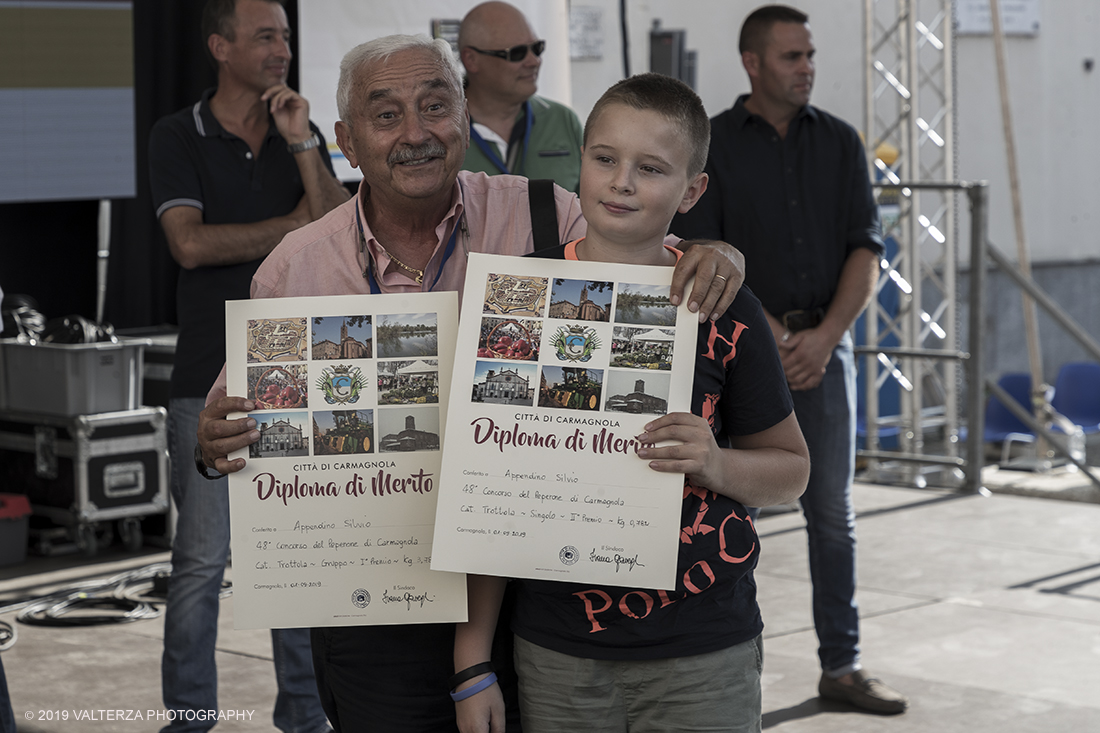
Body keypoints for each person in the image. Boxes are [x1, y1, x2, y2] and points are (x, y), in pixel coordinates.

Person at [195, 35, 745, 733]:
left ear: (464, 117)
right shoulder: (295, 268)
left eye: (434, 106)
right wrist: (215, 443)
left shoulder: (547, 213)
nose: (416, 133)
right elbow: (224, 424)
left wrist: (716, 252)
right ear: (346, 141)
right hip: (378, 606)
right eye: (386, 115)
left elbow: (648, 253)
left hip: (538, 599)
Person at [455, 73, 810, 733]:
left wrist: (717, 464)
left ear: (692, 189)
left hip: (705, 651)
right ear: (579, 161)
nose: (621, 182)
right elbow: (488, 499)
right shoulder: (519, 299)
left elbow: (793, 467)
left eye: (650, 169)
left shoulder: (721, 305)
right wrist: (471, 660)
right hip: (556, 651)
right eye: (605, 159)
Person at [671, 4, 908, 715]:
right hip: (739, 356)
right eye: (791, 56)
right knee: (725, 510)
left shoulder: (840, 141)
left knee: (831, 513)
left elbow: (867, 247)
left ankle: (842, 663)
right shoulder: (711, 145)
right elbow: (700, 254)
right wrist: (772, 337)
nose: (807, 68)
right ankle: (736, 670)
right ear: (753, 63)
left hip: (825, 351)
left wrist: (827, 337)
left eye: (809, 55)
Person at [148, 0, 349, 730]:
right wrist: (289, 228)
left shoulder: (303, 127)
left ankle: (304, 711)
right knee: (201, 564)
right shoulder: (178, 134)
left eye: (287, 35)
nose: (282, 48)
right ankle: (192, 717)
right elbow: (190, 245)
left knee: (292, 557)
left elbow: (337, 236)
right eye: (265, 35)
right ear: (219, 46)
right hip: (207, 377)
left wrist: (301, 143)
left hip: (297, 375)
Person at [458, 1, 584, 192]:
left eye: (537, 48)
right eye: (516, 53)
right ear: (471, 60)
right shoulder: (439, 130)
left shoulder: (563, 121)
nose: (534, 61)